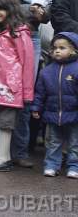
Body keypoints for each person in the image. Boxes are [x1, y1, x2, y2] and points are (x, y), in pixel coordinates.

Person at [0, 0, 35, 171]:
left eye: (1, 8)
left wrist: (27, 92)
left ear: (10, 9)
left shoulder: (19, 33)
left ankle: (3, 157)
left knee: (6, 123)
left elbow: (27, 63)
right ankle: (1, 155)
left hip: (10, 88)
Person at [32, 32, 78, 178]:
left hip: (74, 114)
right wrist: (36, 107)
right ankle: (52, 165)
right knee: (53, 142)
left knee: (74, 143)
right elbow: (40, 93)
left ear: (73, 50)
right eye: (55, 48)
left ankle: (74, 166)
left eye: (62, 48)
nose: (57, 50)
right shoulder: (46, 72)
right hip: (52, 114)